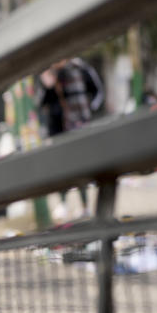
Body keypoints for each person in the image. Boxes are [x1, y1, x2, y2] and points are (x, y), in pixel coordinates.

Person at [37, 57, 104, 219]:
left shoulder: (80, 69)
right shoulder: (50, 75)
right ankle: (63, 204)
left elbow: (97, 91)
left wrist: (89, 110)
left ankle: (85, 206)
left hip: (79, 125)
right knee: (61, 168)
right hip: (58, 129)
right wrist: (49, 87)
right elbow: (42, 103)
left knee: (80, 165)